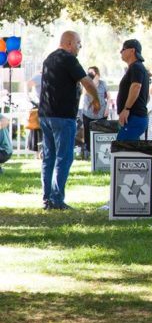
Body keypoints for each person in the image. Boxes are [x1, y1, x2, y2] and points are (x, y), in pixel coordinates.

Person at [39, 30, 102, 210]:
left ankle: (47, 198)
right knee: (64, 157)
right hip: (63, 116)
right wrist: (96, 100)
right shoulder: (69, 59)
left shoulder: (49, 59)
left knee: (49, 157)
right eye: (78, 44)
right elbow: (87, 82)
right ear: (69, 43)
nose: (79, 48)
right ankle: (56, 199)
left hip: (46, 115)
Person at [116, 39, 151, 140]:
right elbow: (147, 96)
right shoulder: (136, 67)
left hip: (134, 117)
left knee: (121, 146)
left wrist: (126, 109)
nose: (121, 52)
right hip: (135, 117)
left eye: (123, 49)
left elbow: (136, 87)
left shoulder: (136, 67)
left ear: (132, 50)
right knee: (129, 148)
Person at [79, 66, 109, 158]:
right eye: (88, 73)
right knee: (87, 133)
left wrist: (107, 108)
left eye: (92, 73)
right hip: (88, 113)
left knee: (101, 133)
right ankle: (88, 152)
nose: (90, 75)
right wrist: (91, 82)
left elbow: (108, 97)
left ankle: (100, 152)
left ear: (97, 74)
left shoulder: (103, 83)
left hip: (101, 113)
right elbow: (84, 93)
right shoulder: (86, 83)